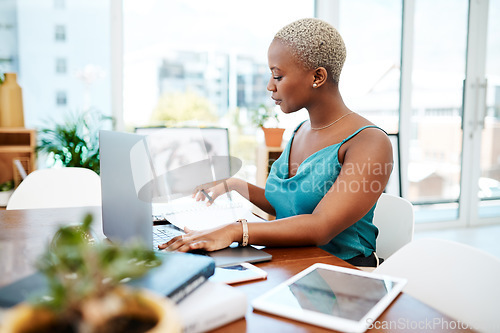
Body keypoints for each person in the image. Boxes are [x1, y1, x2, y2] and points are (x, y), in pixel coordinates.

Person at [159, 18, 393, 267]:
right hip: (295, 262)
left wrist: (235, 231)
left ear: (318, 76)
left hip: (346, 274)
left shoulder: (370, 142)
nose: (270, 86)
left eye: (278, 76)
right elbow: (287, 204)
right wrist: (236, 185)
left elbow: (319, 227)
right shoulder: (300, 131)